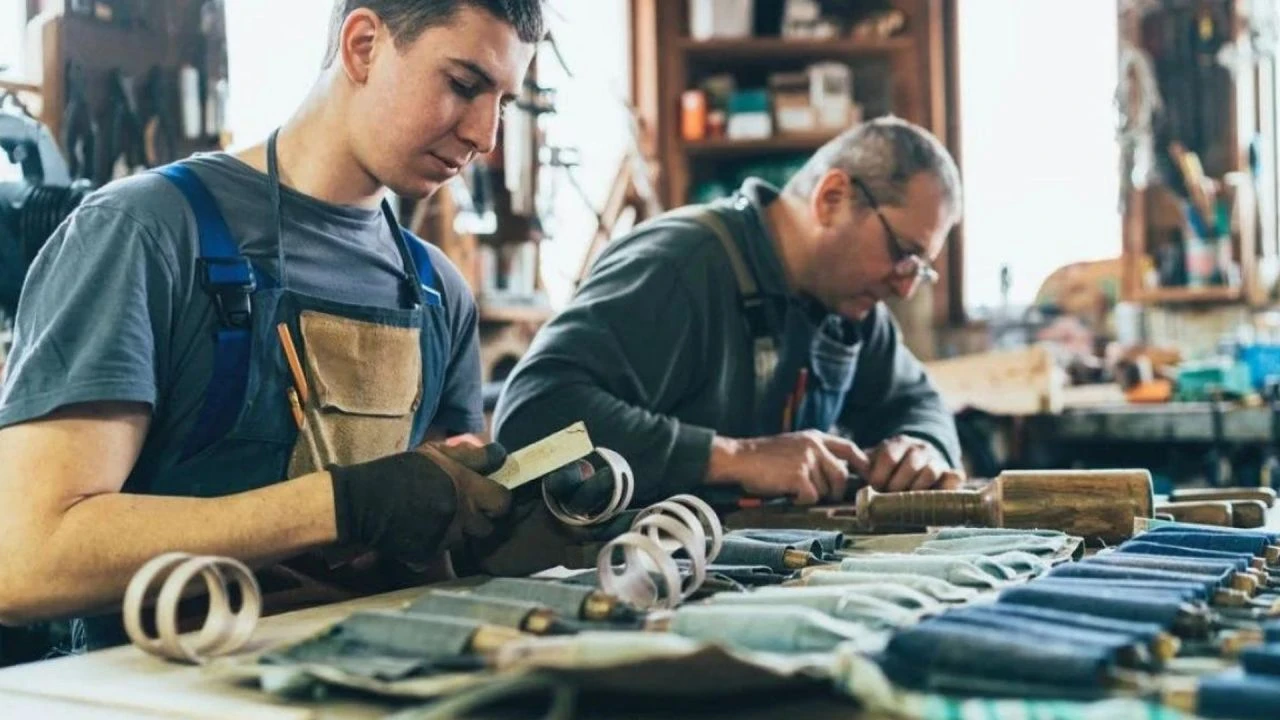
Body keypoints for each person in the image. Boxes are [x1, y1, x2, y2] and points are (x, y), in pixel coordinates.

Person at [0, 0, 550, 647]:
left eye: (505, 103)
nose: (486, 136)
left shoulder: (436, 291)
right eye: (463, 85)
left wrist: (522, 530)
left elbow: (434, 554)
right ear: (364, 45)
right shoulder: (147, 233)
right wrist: (342, 505)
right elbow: (25, 561)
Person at [494, 117, 966, 508]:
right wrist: (733, 458)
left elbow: (918, 404)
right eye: (904, 252)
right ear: (832, 198)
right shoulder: (680, 266)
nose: (905, 287)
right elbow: (530, 421)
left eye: (920, 269)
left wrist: (922, 446)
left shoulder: (852, 309)